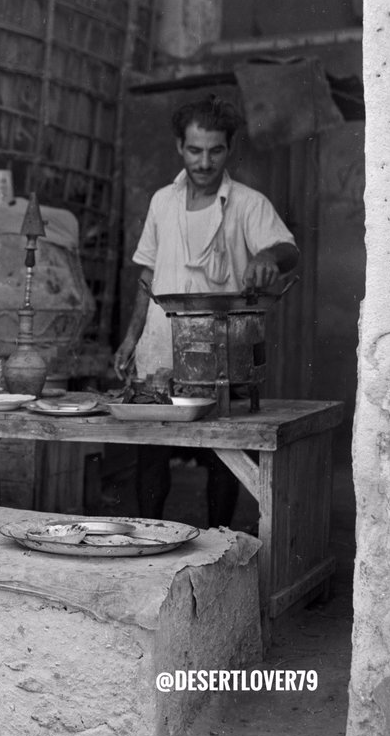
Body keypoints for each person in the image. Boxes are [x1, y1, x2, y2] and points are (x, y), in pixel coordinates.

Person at [114, 95, 298, 529]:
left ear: (229, 149)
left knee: (223, 456)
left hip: (220, 354)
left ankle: (219, 541)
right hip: (159, 349)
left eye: (215, 150)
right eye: (195, 150)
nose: (204, 161)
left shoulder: (248, 203)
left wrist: (268, 256)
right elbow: (147, 275)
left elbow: (288, 250)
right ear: (180, 146)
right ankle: (148, 540)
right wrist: (130, 336)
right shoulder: (163, 201)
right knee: (152, 456)